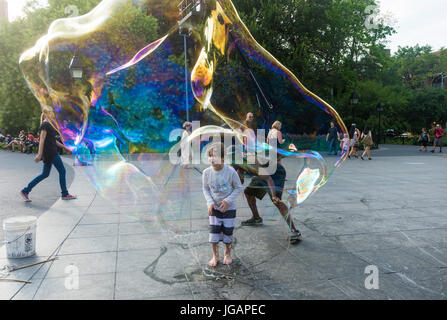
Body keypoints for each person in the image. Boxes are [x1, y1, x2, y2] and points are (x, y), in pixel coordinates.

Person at [241, 154, 302, 244]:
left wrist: (274, 195)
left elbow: (269, 179)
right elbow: (239, 180)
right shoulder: (233, 164)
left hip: (276, 173)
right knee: (248, 192)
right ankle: (256, 218)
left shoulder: (251, 160)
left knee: (276, 201)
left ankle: (295, 231)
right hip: (262, 174)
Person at [20, 108, 77, 202]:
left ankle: (25, 191)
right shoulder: (45, 125)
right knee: (62, 171)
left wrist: (65, 147)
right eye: (51, 113)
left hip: (50, 152)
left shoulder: (49, 125)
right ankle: (65, 194)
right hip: (51, 152)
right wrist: (39, 154)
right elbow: (41, 139)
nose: (53, 115)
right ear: (46, 114)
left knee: (45, 174)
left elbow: (53, 141)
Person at [202, 143, 243, 267]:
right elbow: (205, 189)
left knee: (228, 232)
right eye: (210, 156)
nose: (211, 159)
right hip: (214, 208)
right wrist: (209, 202)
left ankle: (227, 253)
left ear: (223, 158)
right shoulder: (206, 172)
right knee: (214, 233)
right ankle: (215, 255)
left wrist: (227, 201)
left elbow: (238, 187)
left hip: (229, 208)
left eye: (215, 156)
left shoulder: (230, 171)